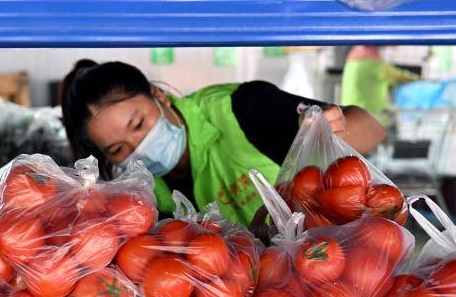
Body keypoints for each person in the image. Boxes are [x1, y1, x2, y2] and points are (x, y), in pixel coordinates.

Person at [61, 59, 386, 226]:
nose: (139, 146)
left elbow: (372, 127)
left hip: (320, 272)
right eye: (118, 149)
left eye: (139, 124)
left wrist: (331, 131)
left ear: (159, 96)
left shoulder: (241, 108)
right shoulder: (138, 194)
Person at [340, 46, 420, 122]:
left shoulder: (354, 59)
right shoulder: (370, 61)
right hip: (366, 116)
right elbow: (399, 76)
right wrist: (420, 78)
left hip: (350, 114)